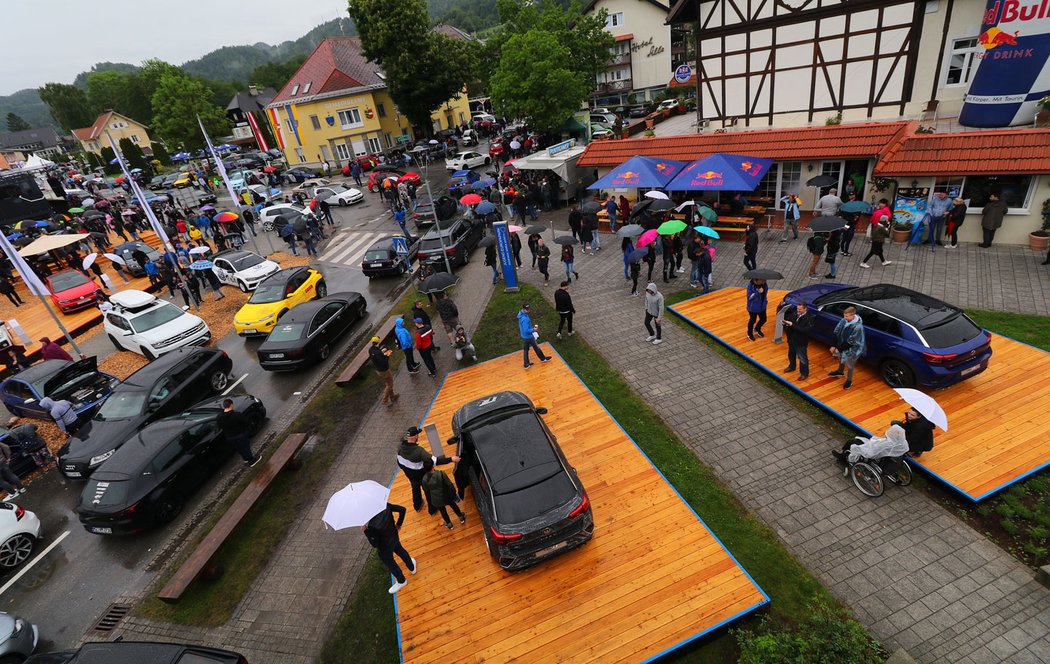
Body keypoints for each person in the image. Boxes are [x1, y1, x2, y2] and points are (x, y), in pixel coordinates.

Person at [396, 426, 458, 512]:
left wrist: (408, 471)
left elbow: (399, 462)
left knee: (415, 488)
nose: (418, 436)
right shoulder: (419, 451)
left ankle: (417, 506)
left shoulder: (400, 448)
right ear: (415, 436)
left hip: (410, 475)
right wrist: (451, 459)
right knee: (428, 490)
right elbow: (435, 461)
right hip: (420, 474)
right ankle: (432, 509)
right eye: (417, 434)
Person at [362, 502, 416, 595]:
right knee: (401, 551)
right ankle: (412, 567)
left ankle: (401, 581)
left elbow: (375, 543)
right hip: (394, 537)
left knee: (391, 563)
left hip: (384, 548)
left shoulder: (371, 525)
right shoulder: (385, 506)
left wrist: (366, 531)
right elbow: (402, 509)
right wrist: (398, 525)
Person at [832, 424, 909, 465]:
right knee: (860, 440)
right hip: (886, 456)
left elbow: (870, 453)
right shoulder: (902, 443)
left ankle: (843, 457)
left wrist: (865, 446)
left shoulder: (886, 444)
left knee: (851, 442)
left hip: (874, 453)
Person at [422, 460, 466, 529]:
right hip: (446, 495)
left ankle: (449, 524)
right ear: (433, 466)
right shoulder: (441, 474)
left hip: (436, 499)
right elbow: (450, 484)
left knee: (443, 511)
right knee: (453, 505)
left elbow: (426, 490)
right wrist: (454, 494)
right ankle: (461, 517)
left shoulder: (424, 480)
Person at [829, 306, 865, 389]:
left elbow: (852, 341)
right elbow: (836, 331)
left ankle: (849, 380)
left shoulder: (858, 327)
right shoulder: (844, 320)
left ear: (853, 315)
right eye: (844, 316)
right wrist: (834, 345)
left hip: (853, 348)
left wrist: (839, 348)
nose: (844, 318)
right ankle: (840, 372)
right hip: (842, 344)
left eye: (847, 316)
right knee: (841, 358)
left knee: (850, 365)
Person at [217, 399, 261, 466]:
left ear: (224, 406)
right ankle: (251, 461)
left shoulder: (219, 417)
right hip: (240, 435)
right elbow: (245, 423)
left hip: (230, 437)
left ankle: (245, 459)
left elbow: (220, 426)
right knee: (245, 448)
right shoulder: (236, 415)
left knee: (239, 449)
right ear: (231, 405)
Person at [782, 301, 814, 380]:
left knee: (802, 358)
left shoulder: (809, 318)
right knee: (791, 354)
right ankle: (792, 366)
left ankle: (804, 373)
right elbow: (790, 321)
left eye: (800, 309)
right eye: (797, 309)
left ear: (805, 309)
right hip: (792, 339)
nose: (798, 310)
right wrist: (785, 324)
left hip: (800, 342)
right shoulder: (795, 313)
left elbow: (804, 330)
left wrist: (792, 325)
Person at [517, 303, 550, 368]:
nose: (528, 310)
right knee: (536, 347)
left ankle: (526, 364)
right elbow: (526, 330)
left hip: (524, 336)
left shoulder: (521, 314)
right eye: (527, 309)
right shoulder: (524, 318)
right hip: (528, 336)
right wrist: (533, 330)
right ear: (524, 309)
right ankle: (543, 359)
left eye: (529, 309)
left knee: (526, 350)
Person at [369, 336, 398, 406]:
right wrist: (387, 355)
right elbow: (383, 362)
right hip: (384, 370)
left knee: (388, 383)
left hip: (378, 370)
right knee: (389, 384)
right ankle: (385, 400)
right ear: (378, 342)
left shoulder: (371, 349)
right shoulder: (378, 352)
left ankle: (392, 396)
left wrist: (382, 353)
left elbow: (377, 357)